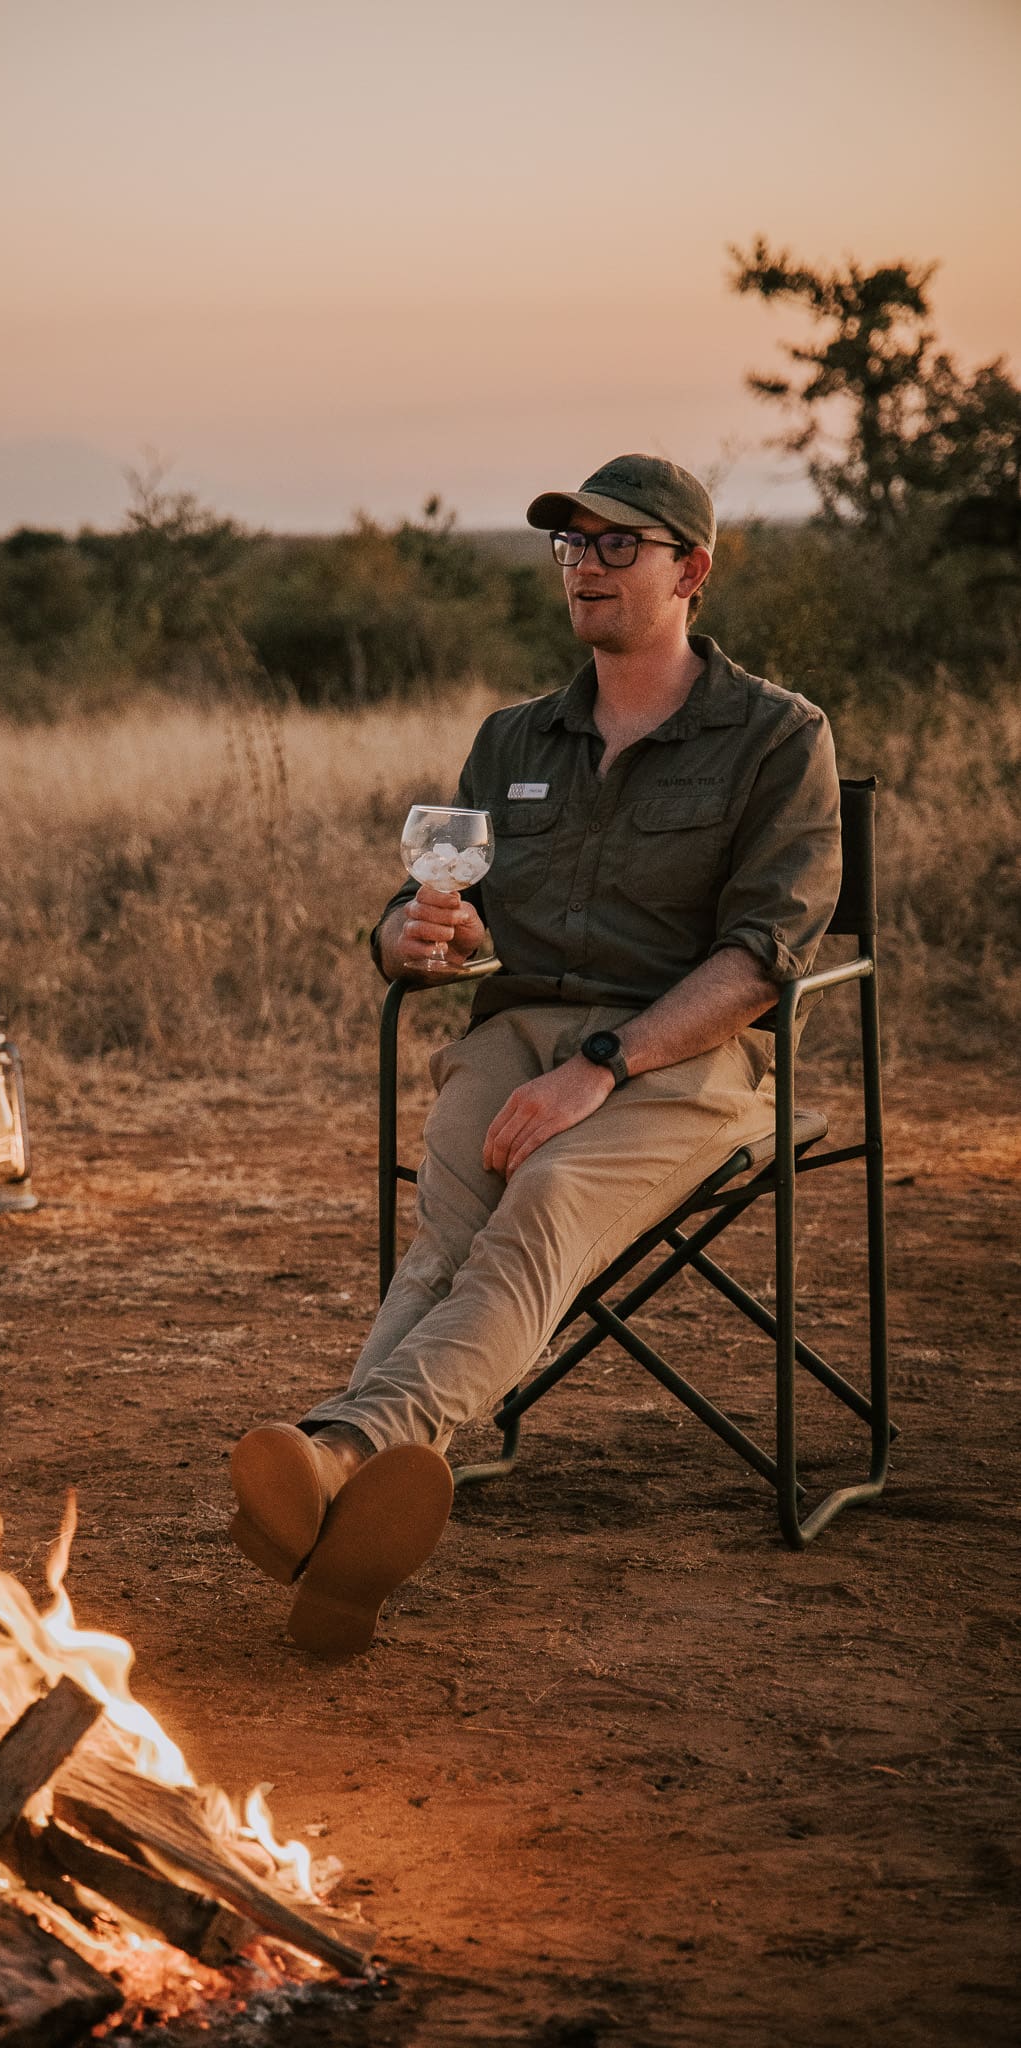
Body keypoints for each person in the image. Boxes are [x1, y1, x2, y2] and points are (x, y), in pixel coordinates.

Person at [229, 453, 842, 1662]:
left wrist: (603, 1064)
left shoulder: (776, 736)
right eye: (573, 545)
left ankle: (341, 1449)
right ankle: (351, 1521)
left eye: (620, 544)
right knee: (450, 1228)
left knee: (545, 1199)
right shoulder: (517, 736)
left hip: (686, 1058)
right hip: (512, 1038)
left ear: (692, 570)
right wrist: (406, 936)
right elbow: (440, 910)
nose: (587, 565)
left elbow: (762, 960)